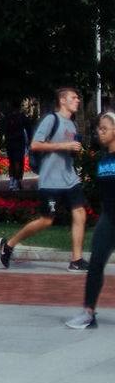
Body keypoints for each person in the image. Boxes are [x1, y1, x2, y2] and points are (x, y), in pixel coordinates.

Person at [0, 87, 90, 271]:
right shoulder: (52, 119)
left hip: (70, 178)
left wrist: (74, 150)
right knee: (47, 220)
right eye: (74, 98)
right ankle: (8, 245)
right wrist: (64, 145)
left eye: (78, 98)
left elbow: (67, 150)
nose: (78, 101)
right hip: (51, 181)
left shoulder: (72, 124)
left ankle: (76, 260)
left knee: (80, 212)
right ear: (62, 101)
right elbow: (35, 144)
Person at [68, 111, 115, 329]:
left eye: (104, 128)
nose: (99, 132)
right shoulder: (103, 158)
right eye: (99, 128)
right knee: (95, 263)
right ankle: (88, 313)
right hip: (109, 218)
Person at [1, 104, 32, 190]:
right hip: (19, 142)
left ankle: (11, 182)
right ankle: (16, 182)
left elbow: (2, 130)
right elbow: (29, 129)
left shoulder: (7, 118)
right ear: (19, 107)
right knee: (18, 162)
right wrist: (30, 141)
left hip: (9, 142)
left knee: (11, 163)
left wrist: (1, 142)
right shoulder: (22, 117)